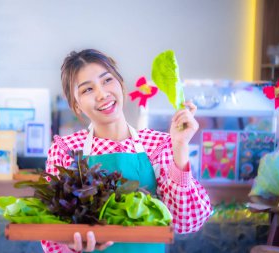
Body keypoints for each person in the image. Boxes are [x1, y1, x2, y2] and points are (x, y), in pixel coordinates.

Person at [41, 49, 212, 253]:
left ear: (121, 84)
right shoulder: (66, 150)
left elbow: (186, 222)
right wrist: (70, 243)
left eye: (107, 80)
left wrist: (180, 146)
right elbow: (50, 236)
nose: (102, 94)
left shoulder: (157, 145)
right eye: (87, 90)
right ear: (76, 106)